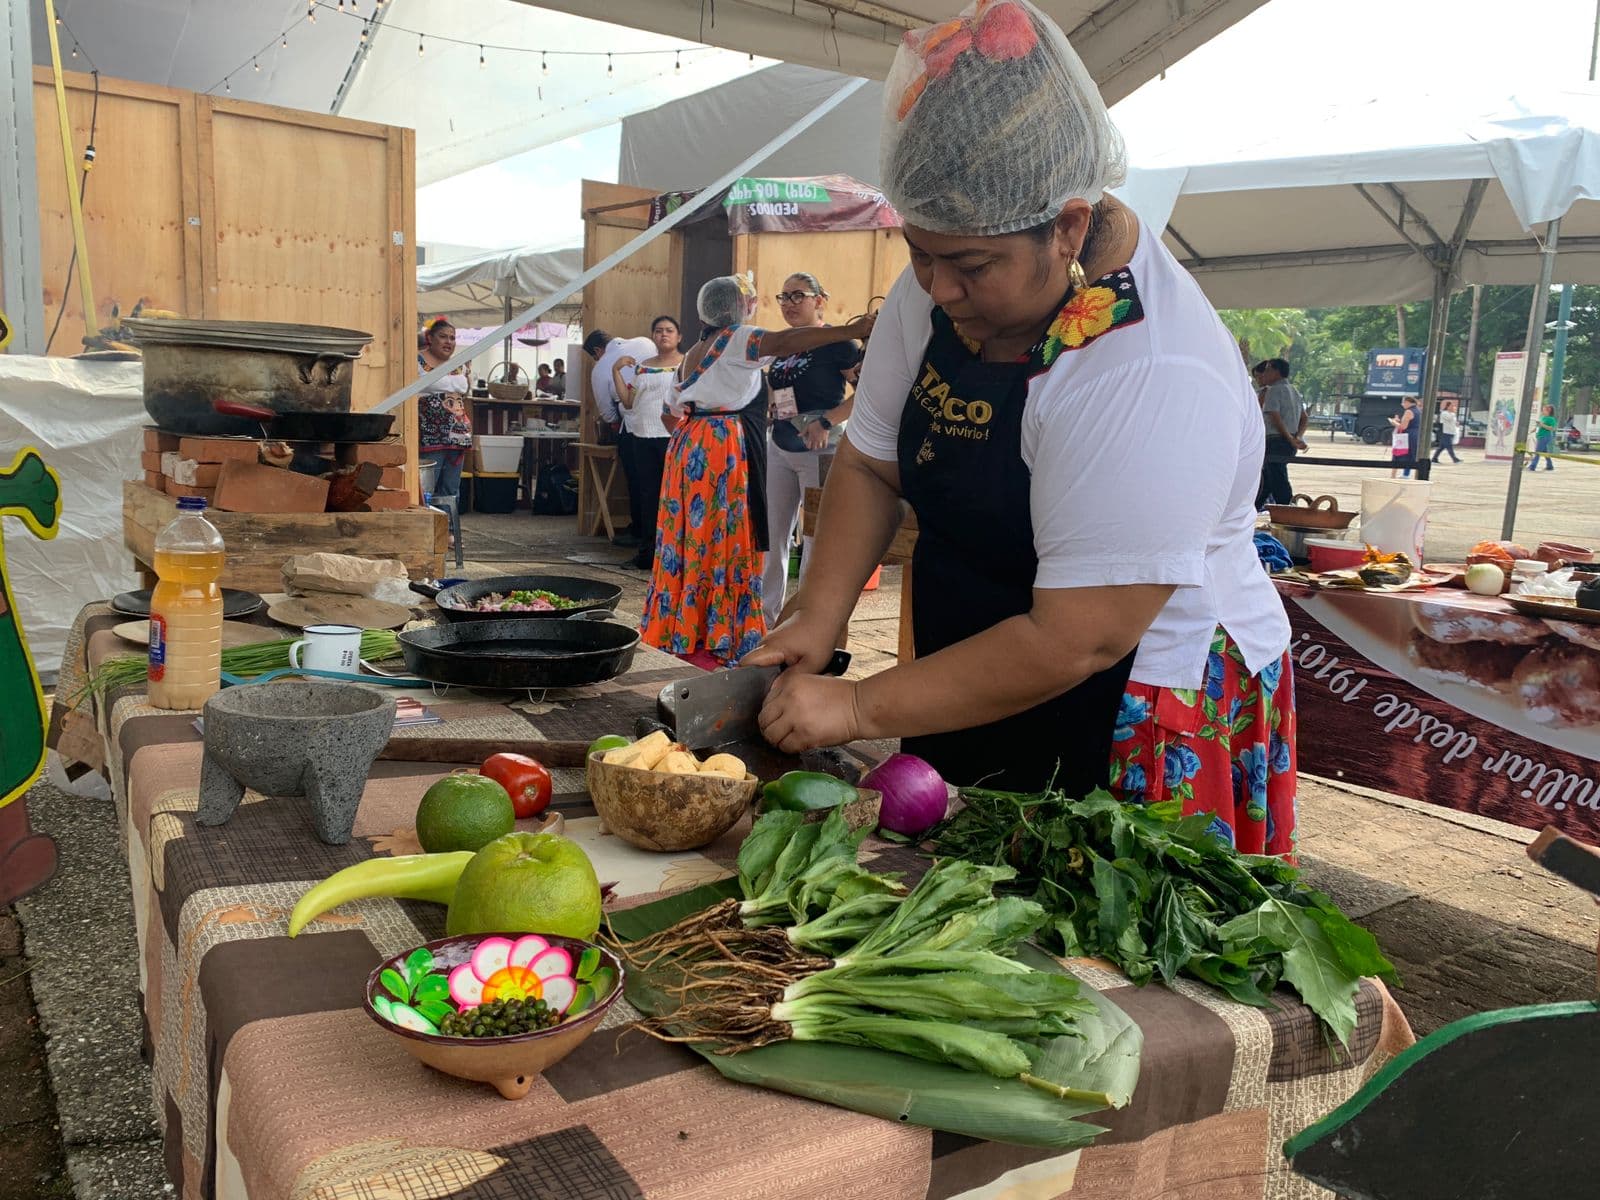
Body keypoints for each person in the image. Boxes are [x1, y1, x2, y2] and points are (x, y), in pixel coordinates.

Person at [748, 0, 1297, 856]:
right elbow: (870, 464)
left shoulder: (1150, 365)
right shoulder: (938, 282)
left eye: (969, 265)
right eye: (920, 254)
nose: (939, 289)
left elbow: (1081, 636)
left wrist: (859, 707)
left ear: (1069, 224)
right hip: (979, 649)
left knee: (1106, 949)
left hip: (1134, 683)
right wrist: (817, 617)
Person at [639, 274, 873, 666]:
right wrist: (853, 328)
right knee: (728, 537)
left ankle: (686, 625)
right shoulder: (736, 338)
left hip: (688, 447)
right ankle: (724, 631)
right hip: (722, 449)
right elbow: (782, 342)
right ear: (736, 308)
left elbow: (669, 416)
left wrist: (697, 437)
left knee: (693, 538)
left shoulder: (694, 351)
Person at [762, 272, 864, 619]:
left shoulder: (839, 342)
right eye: (783, 297)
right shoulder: (783, 344)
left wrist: (827, 421)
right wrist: (777, 410)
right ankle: (766, 618)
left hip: (820, 448)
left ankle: (804, 619)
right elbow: (782, 393)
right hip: (780, 443)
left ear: (819, 300)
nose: (789, 304)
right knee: (773, 535)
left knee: (815, 538)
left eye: (798, 296)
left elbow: (865, 393)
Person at [612, 315, 684, 569]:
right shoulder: (642, 367)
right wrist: (616, 371)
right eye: (658, 331)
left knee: (675, 497)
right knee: (647, 497)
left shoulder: (685, 365)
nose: (664, 335)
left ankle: (674, 554)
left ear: (678, 336)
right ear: (653, 336)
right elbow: (628, 401)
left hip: (673, 437)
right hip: (642, 436)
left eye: (669, 330)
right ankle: (647, 553)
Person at [583, 329, 657, 546]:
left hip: (634, 425)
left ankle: (641, 534)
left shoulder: (601, 367)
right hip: (665, 422)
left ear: (598, 351)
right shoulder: (644, 342)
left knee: (637, 481)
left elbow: (607, 413)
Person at [416, 317, 472, 501]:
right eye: (443, 336)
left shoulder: (460, 365)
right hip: (429, 433)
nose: (449, 341)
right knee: (427, 487)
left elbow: (464, 392)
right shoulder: (416, 361)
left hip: (457, 434)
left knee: (451, 488)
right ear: (430, 338)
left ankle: (448, 527)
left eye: (452, 338)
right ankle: (431, 526)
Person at [1253, 358, 1307, 509]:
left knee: (1278, 480)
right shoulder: (1294, 391)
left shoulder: (1274, 390)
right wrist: (1297, 437)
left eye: (1268, 370)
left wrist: (1290, 437)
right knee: (1268, 480)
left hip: (1276, 441)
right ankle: (1253, 508)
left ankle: (1288, 511)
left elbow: (1274, 415)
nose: (1265, 374)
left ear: (1276, 372)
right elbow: (1304, 418)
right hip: (1287, 442)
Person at [1389, 396, 1419, 478]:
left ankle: (1393, 476)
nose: (1402, 405)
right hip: (1416, 435)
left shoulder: (1408, 411)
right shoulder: (1418, 410)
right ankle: (1406, 474)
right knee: (1410, 455)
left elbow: (1403, 427)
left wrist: (1394, 422)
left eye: (1403, 403)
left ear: (1407, 402)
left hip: (1407, 436)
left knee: (1399, 454)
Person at [1529, 404, 1558, 471]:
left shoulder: (1551, 419)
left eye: (1544, 410)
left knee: (1537, 451)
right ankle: (1550, 466)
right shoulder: (1542, 417)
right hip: (1540, 435)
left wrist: (1542, 425)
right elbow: (1539, 426)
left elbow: (1552, 428)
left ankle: (1532, 466)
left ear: (1548, 411)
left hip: (1545, 436)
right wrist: (1533, 430)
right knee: (1545, 452)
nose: (1542, 411)